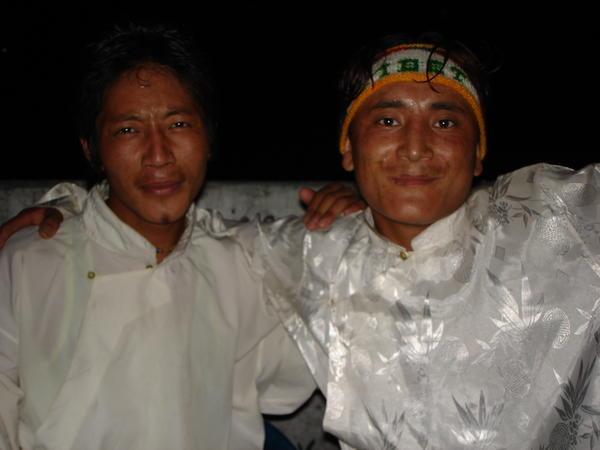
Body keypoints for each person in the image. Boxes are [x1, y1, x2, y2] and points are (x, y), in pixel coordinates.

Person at [9, 31, 599, 449]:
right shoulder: (307, 259)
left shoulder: (556, 227)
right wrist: (69, 204)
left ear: (479, 150)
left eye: (445, 121)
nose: (416, 147)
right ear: (349, 149)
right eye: (388, 121)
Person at [0, 23, 362, 450]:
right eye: (129, 130)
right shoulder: (28, 262)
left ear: (208, 135)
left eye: (178, 124)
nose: (158, 154)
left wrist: (358, 220)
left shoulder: (244, 265)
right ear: (91, 148)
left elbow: (321, 347)